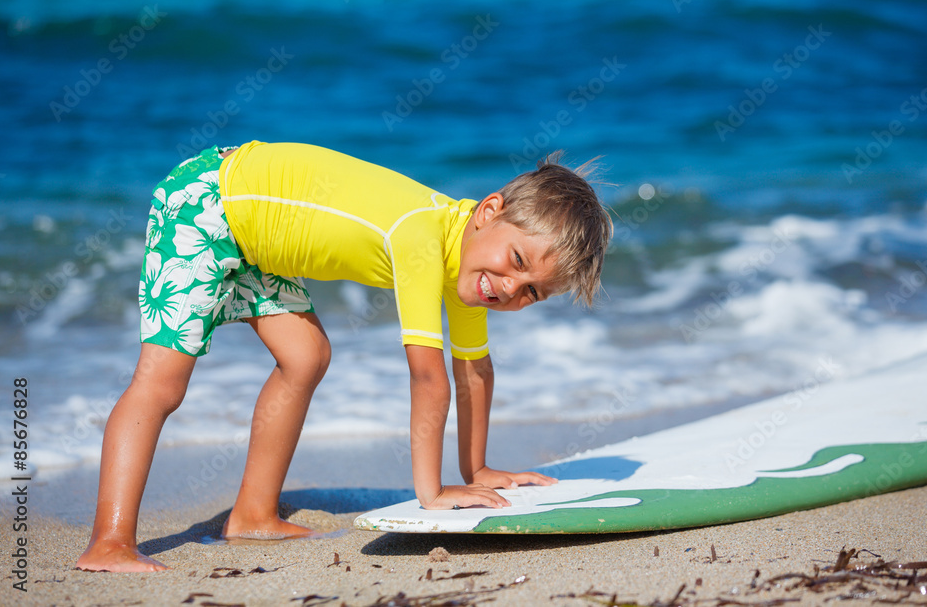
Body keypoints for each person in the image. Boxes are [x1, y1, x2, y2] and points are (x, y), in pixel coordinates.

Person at [75, 141, 612, 572]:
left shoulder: (469, 264)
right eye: (516, 261)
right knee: (162, 384)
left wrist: (478, 468)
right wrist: (432, 493)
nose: (510, 288)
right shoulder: (423, 236)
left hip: (255, 242)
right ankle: (109, 541)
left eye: (532, 292)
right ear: (489, 211)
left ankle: (252, 514)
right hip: (207, 203)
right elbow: (428, 376)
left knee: (305, 355)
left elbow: (474, 369)